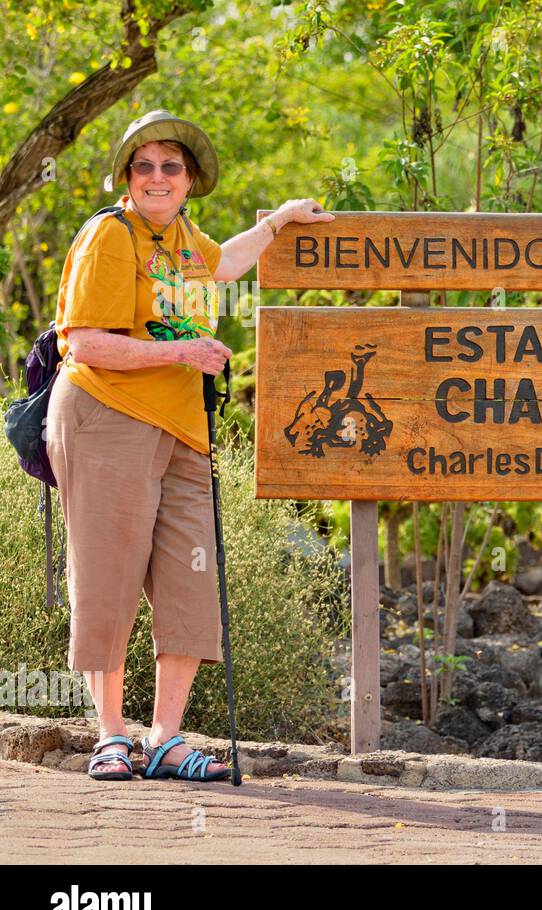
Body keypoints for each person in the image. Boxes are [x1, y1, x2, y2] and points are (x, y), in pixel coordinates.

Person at [47, 109, 335, 781]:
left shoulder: (179, 238)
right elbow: (84, 341)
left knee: (189, 579)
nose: (156, 176)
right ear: (127, 176)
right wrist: (183, 349)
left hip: (181, 427)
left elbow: (223, 264)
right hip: (107, 414)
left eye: (169, 166)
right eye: (143, 165)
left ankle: (167, 738)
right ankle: (111, 734)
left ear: (188, 179)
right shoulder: (109, 236)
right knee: (109, 574)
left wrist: (279, 221)